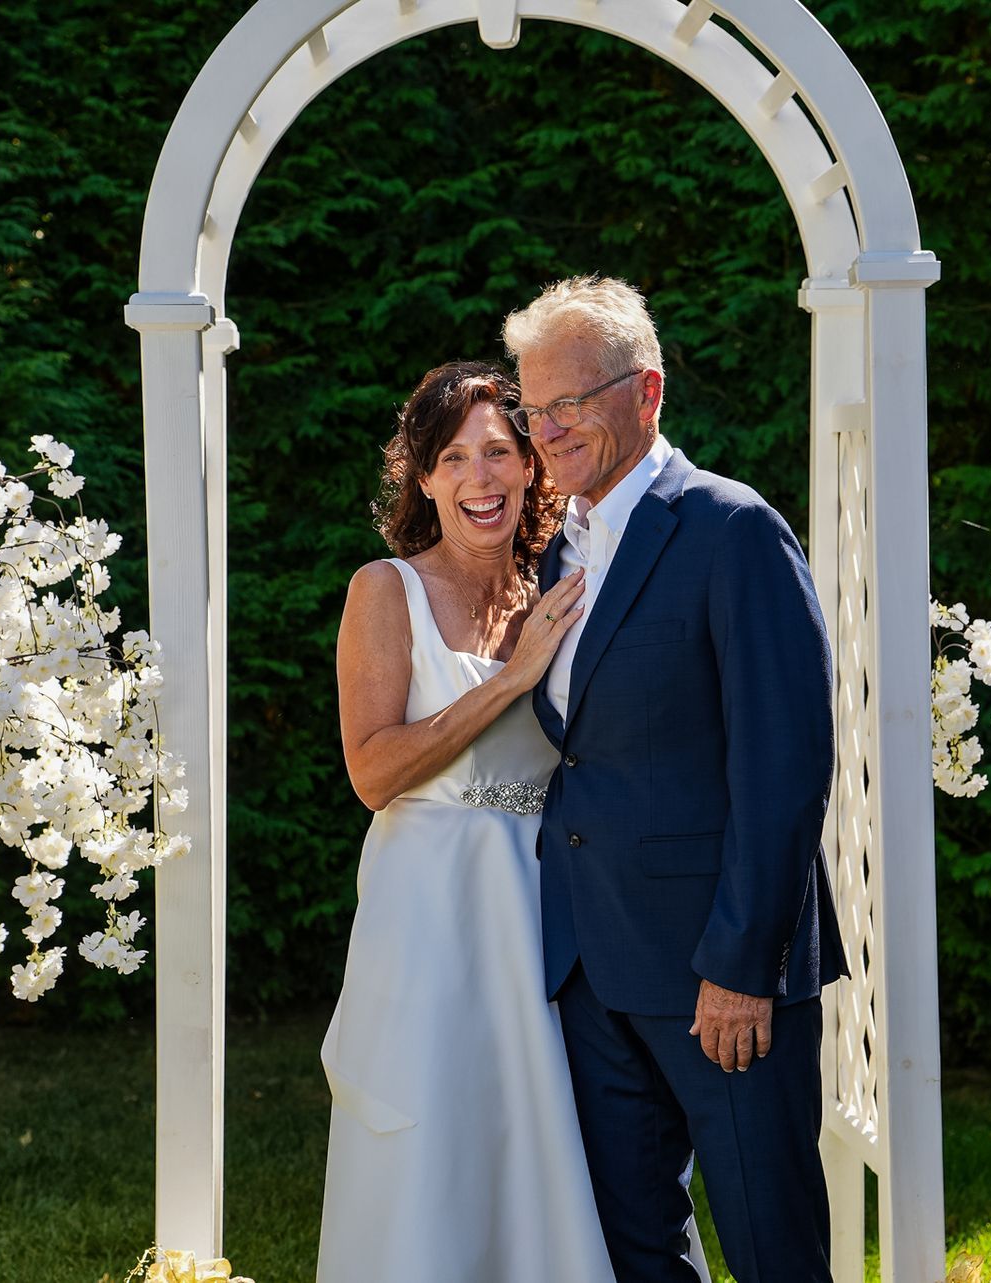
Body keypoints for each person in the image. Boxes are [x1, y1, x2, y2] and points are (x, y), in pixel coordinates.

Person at [503, 276, 846, 1283]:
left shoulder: (732, 529)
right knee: (638, 1246)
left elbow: (785, 767)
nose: (548, 429)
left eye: (570, 401)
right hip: (589, 968)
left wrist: (744, 965)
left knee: (772, 1245)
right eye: (534, 408)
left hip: (716, 974)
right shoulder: (555, 548)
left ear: (645, 390)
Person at [318, 360, 607, 1282]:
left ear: (531, 468)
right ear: (425, 478)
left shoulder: (564, 589)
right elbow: (373, 771)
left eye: (498, 454)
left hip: (538, 905)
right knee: (428, 1148)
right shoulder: (385, 590)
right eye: (454, 458)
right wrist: (514, 679)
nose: (480, 479)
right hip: (426, 912)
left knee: (538, 1138)